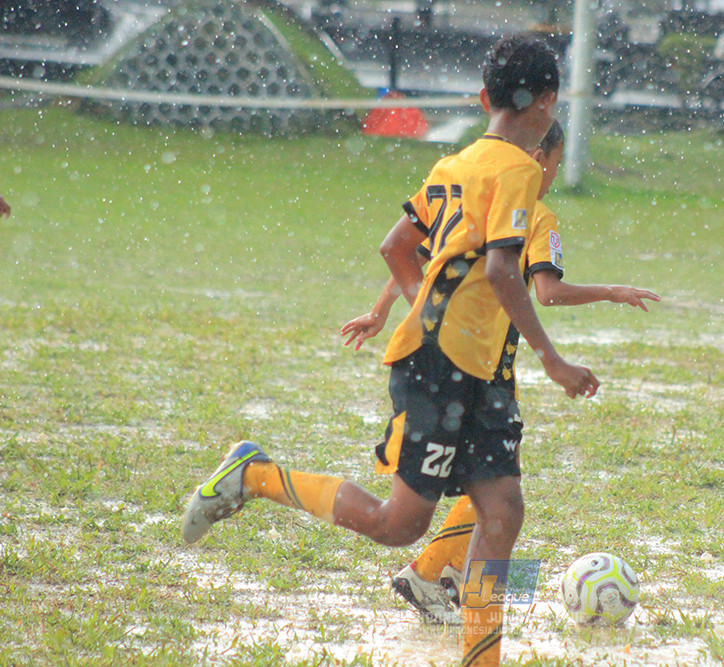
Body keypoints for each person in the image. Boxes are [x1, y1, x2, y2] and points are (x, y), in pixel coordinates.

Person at [181, 36, 598, 667]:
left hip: (475, 372)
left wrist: (426, 308)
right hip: (440, 370)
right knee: (397, 525)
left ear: (484, 97)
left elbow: (396, 247)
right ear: (546, 101)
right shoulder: (517, 170)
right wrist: (551, 358)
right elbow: (501, 272)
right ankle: (253, 476)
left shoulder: (454, 165)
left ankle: (481, 658)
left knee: (503, 510)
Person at [341, 120, 660, 625]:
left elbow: (419, 254)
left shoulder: (478, 194)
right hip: (485, 364)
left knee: (493, 488)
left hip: (459, 358)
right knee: (496, 490)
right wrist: (611, 292)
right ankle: (438, 580)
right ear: (539, 156)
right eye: (556, 162)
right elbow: (548, 291)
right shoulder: (537, 214)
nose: (552, 174)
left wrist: (384, 310)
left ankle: (446, 581)